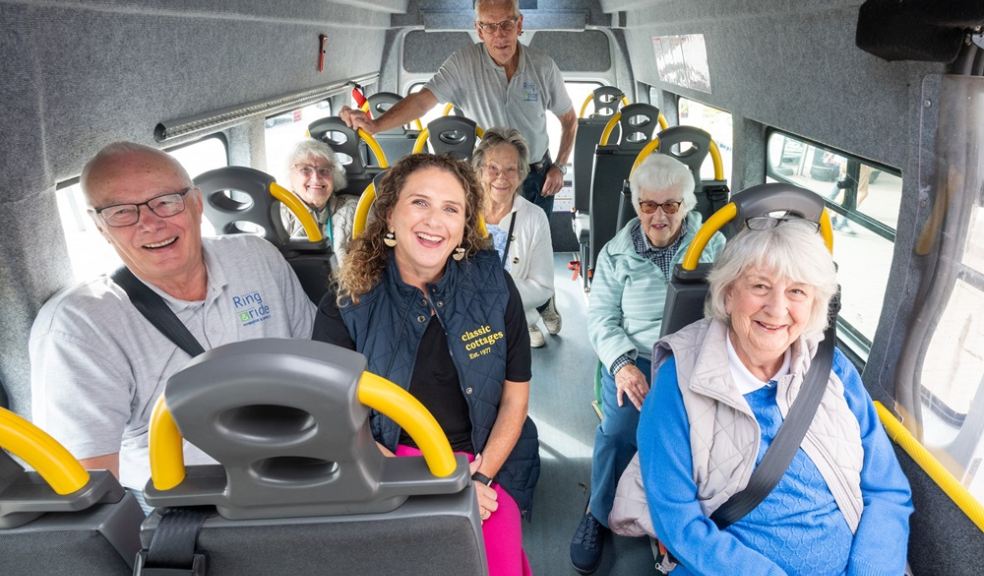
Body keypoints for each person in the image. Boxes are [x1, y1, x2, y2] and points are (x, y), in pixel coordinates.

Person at [30, 142, 316, 501]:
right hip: (183, 503)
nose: (150, 223)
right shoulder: (78, 327)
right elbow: (89, 487)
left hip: (299, 463)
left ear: (197, 204)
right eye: (121, 212)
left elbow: (317, 363)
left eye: (165, 202)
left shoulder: (257, 258)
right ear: (100, 226)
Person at [628, 218, 913, 574]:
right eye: (761, 286)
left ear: (814, 304)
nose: (778, 309)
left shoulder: (834, 370)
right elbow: (677, 522)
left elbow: (887, 491)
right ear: (729, 294)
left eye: (797, 292)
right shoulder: (678, 382)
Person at [312, 153, 539, 576]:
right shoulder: (346, 303)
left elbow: (515, 397)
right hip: (385, 460)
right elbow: (337, 420)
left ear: (464, 226)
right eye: (420, 203)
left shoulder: (494, 286)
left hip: (482, 459)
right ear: (391, 216)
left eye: (451, 209)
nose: (435, 221)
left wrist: (477, 478)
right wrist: (420, 481)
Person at [569, 154, 726, 574]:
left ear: (686, 206)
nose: (658, 216)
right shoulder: (615, 254)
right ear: (637, 205)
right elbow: (601, 318)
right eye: (648, 205)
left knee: (703, 434)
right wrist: (622, 365)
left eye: (670, 205)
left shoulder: (713, 246)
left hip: (693, 354)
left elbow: (729, 308)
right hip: (634, 355)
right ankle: (597, 512)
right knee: (620, 431)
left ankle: (685, 519)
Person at [339, 0, 577, 215]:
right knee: (489, 252)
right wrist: (376, 125)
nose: (499, 35)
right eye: (490, 26)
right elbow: (422, 100)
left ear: (519, 24)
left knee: (534, 251)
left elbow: (569, 120)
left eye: (506, 24)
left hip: (536, 175)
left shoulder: (543, 67)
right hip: (488, 178)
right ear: (479, 30)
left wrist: (559, 166)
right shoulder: (463, 64)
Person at [474, 127, 558, 348]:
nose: (502, 177)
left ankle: (528, 320)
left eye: (511, 169)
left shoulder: (535, 217)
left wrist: (497, 294)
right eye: (493, 168)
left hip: (513, 316)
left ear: (521, 175)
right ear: (479, 171)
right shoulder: (459, 213)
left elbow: (543, 286)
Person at [281, 139, 359, 264]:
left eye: (324, 170)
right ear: (290, 176)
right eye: (305, 169)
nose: (316, 178)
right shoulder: (277, 215)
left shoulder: (356, 209)